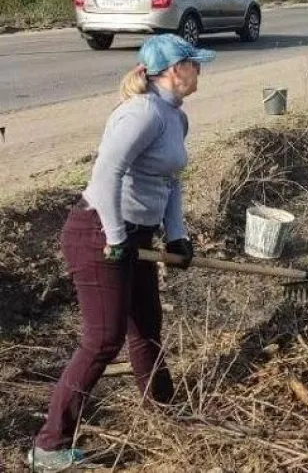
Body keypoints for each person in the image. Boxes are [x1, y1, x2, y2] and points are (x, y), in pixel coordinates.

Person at [30, 35, 212, 471]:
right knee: (103, 338)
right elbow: (107, 173)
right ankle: (49, 446)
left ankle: (163, 410)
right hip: (97, 232)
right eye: (194, 64)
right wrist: (114, 236)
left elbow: (170, 181)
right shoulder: (141, 112)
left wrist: (176, 236)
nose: (200, 70)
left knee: (146, 326)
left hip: (135, 235)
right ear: (171, 71)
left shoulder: (174, 117)